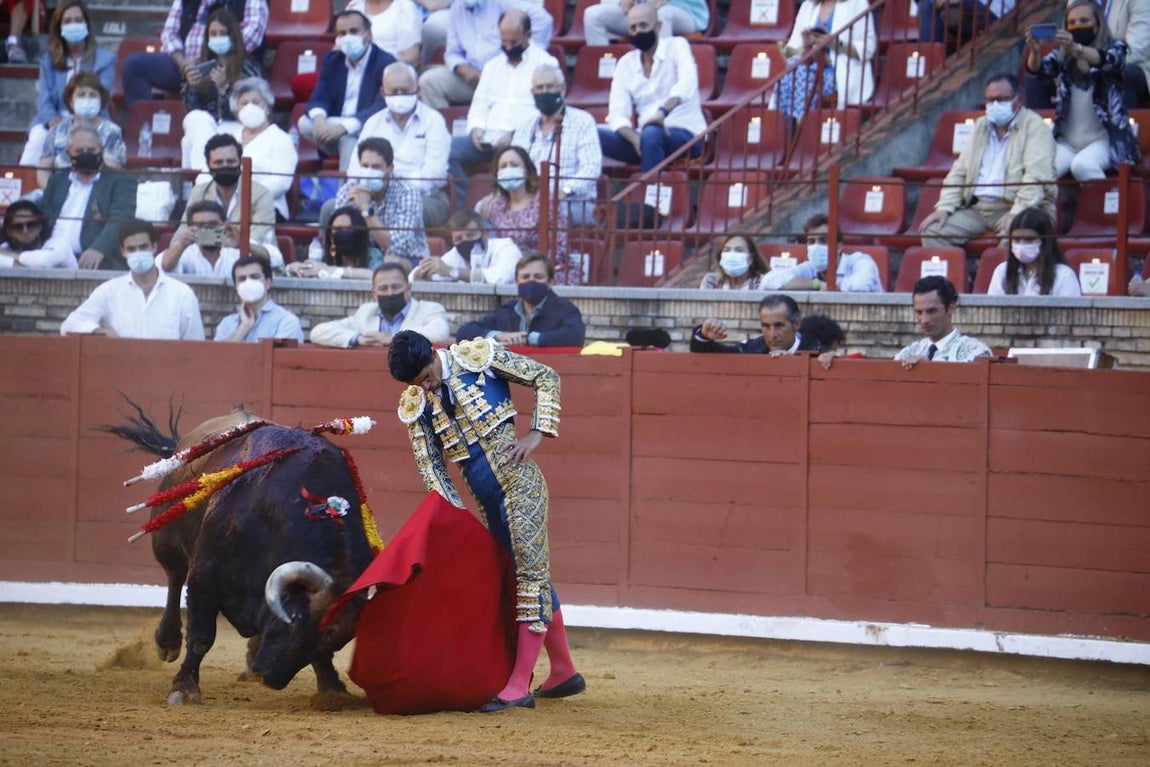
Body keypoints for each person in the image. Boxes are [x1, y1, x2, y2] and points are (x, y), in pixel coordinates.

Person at [387, 329, 584, 712]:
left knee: (529, 578)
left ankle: (517, 684)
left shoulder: (479, 357)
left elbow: (546, 376)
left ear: (432, 351)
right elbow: (432, 467)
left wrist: (535, 435)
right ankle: (562, 670)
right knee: (526, 574)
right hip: (486, 500)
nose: (428, 386)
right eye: (419, 384)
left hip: (521, 485)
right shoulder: (418, 402)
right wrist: (454, 517)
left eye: (427, 375)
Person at [919, 73, 1057, 249]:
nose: (994, 105)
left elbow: (1037, 178)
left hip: (1023, 207)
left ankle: (994, 276)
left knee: (1017, 237)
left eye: (1001, 99)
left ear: (1019, 100)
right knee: (932, 232)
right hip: (979, 208)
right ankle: (961, 277)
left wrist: (1017, 212)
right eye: (990, 100)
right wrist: (944, 207)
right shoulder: (980, 126)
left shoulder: (1036, 128)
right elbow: (959, 172)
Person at [447, 9, 559, 208]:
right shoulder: (492, 66)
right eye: (503, 41)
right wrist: (476, 129)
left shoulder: (546, 64)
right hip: (489, 138)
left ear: (528, 36)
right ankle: (461, 212)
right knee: (452, 148)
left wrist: (514, 135)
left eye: (514, 42)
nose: (507, 47)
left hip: (524, 140)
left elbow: (544, 112)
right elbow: (480, 103)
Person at [1024, 1, 1140, 182]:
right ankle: (1037, 210)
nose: (1077, 26)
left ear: (1097, 23)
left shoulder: (1115, 46)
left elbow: (1109, 61)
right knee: (1039, 172)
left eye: (1084, 20)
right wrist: (1035, 51)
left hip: (1105, 140)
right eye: (1072, 22)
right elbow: (1039, 70)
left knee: (1083, 165)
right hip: (1067, 141)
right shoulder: (1063, 53)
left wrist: (1076, 48)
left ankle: (1106, 208)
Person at [598, 3, 706, 172]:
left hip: (685, 135)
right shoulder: (625, 63)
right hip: (643, 140)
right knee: (592, 132)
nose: (638, 31)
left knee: (652, 133)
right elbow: (617, 113)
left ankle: (648, 195)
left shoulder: (677, 45)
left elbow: (687, 84)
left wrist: (662, 113)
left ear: (658, 26)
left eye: (643, 25)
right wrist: (634, 138)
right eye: (633, 28)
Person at [59, 219, 205, 339]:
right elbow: (69, 325)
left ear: (154, 247)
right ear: (123, 251)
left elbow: (195, 343)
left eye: (143, 247)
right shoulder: (108, 291)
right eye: (131, 249)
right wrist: (100, 332)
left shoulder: (182, 293)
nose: (138, 253)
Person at [353, 62, 451, 228]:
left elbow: (435, 174)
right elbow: (354, 170)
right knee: (332, 209)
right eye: (394, 91)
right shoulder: (373, 123)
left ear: (418, 91)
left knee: (405, 210)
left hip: (425, 197)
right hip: (375, 195)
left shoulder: (434, 121)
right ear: (383, 93)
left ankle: (395, 252)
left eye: (405, 91)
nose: (399, 96)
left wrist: (390, 188)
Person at [19, 0, 116, 168]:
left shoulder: (105, 60)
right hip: (54, 121)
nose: (74, 24)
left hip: (93, 121)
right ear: (59, 28)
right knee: (38, 137)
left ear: (87, 24)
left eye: (79, 20)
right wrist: (52, 121)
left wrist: (79, 122)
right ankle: (26, 189)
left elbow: (102, 95)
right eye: (68, 21)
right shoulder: (48, 61)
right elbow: (44, 98)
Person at [120, 0, 268, 107]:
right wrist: (183, 64)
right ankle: (143, 127)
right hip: (186, 65)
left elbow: (252, 35)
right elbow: (169, 33)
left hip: (230, 67)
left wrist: (205, 60)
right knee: (134, 65)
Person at [298, 10, 396, 171]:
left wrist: (344, 128)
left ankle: (346, 192)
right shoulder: (332, 60)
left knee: (348, 139)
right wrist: (320, 120)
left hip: (366, 127)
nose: (348, 37)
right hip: (336, 123)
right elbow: (320, 95)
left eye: (354, 31)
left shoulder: (385, 62)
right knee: (305, 122)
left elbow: (382, 105)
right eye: (342, 33)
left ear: (369, 35)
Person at [511, 64, 602, 227]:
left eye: (550, 87)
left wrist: (564, 191)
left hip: (572, 202)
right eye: (539, 88)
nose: (544, 92)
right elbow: (512, 166)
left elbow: (591, 167)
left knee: (541, 214)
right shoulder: (524, 126)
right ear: (532, 93)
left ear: (562, 89)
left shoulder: (583, 121)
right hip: (529, 201)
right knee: (483, 209)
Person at [418, 0, 553, 109]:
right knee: (429, 82)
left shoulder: (502, 3)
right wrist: (464, 69)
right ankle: (443, 135)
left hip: (505, 77)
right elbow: (452, 53)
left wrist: (526, 53)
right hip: (474, 78)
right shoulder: (456, 8)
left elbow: (543, 20)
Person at [40, 123, 138, 270]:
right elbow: (42, 215)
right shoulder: (57, 180)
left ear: (102, 150)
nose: (86, 154)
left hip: (95, 260)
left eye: (91, 150)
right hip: (49, 253)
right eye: (80, 151)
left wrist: (99, 248)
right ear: (69, 154)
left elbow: (121, 219)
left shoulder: (121, 180)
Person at [324, 137, 428, 271]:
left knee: (391, 261)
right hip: (362, 257)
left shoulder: (407, 193)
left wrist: (366, 209)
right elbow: (339, 237)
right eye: (365, 166)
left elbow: (394, 248)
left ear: (390, 169)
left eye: (376, 167)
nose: (369, 172)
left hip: (406, 260)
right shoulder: (348, 191)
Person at [179, 6, 262, 170]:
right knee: (197, 121)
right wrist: (191, 87)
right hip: (204, 127)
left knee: (214, 130)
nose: (217, 38)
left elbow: (247, 112)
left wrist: (225, 88)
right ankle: (205, 174)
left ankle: (205, 176)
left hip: (235, 125)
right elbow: (192, 112)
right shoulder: (201, 66)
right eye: (213, 34)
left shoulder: (248, 68)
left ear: (233, 36)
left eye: (223, 34)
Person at [772, 0, 877, 123]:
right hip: (808, 68)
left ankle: (795, 129)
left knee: (800, 74)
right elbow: (792, 52)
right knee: (792, 70)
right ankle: (791, 126)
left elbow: (868, 48)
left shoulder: (857, 4)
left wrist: (834, 43)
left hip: (838, 73)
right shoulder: (808, 6)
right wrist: (807, 46)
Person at [477, 146, 570, 283]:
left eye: (514, 165)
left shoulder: (545, 201)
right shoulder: (496, 206)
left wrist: (536, 270)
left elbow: (560, 246)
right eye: (503, 166)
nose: (508, 170)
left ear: (527, 170)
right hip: (508, 274)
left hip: (545, 274)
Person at [175, 133, 277, 254]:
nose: (225, 166)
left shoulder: (261, 194)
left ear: (240, 162)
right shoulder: (199, 192)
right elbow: (179, 238)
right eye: (218, 162)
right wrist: (230, 239)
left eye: (230, 161)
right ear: (208, 166)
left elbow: (256, 242)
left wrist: (203, 237)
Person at [456, 253, 586, 347]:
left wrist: (529, 339)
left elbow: (575, 335)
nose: (531, 281)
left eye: (538, 276)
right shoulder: (506, 311)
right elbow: (464, 332)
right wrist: (498, 336)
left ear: (550, 282)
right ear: (517, 282)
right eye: (525, 277)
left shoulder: (565, 309)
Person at [310, 263, 450, 347]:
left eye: (395, 287)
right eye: (383, 288)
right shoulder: (366, 313)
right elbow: (318, 332)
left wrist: (394, 338)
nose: (389, 293)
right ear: (374, 293)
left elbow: (440, 332)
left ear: (408, 289)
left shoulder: (428, 309)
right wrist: (358, 339)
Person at [222, 77, 298, 221]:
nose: (250, 107)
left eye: (256, 102)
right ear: (236, 109)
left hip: (266, 209)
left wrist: (242, 196)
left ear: (267, 107)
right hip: (227, 206)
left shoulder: (281, 139)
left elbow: (281, 182)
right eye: (244, 103)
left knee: (237, 231)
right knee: (205, 227)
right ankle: (210, 242)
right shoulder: (229, 138)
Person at [37, 71, 125, 188]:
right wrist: (52, 192)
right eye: (81, 94)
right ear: (71, 101)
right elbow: (43, 170)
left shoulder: (112, 132)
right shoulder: (57, 131)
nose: (87, 99)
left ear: (101, 100)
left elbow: (112, 170)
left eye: (92, 95)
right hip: (59, 193)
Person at [760, 214, 884, 292]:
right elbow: (769, 280)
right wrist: (817, 284)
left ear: (839, 246)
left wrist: (829, 286)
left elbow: (859, 286)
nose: (816, 246)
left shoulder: (860, 261)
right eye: (811, 241)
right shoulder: (810, 267)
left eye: (823, 240)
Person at [162, 200, 282, 275]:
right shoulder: (185, 251)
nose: (207, 229)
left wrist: (243, 245)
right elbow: (164, 266)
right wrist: (180, 246)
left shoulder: (237, 244)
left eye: (213, 224)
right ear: (190, 227)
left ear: (224, 224)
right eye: (200, 226)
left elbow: (275, 258)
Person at [895, 275, 991, 368]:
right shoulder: (906, 354)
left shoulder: (976, 353)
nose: (924, 320)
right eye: (919, 312)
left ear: (951, 308)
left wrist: (929, 369)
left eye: (931, 311)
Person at [987, 208, 1082, 297]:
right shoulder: (1002, 271)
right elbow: (993, 311)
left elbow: (1070, 314)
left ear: (1045, 241)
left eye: (1029, 240)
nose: (1021, 245)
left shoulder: (1064, 275)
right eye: (1016, 239)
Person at [411, 209, 521, 284]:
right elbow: (412, 278)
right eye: (459, 239)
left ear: (485, 234)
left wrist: (453, 272)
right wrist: (421, 273)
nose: (465, 241)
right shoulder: (455, 254)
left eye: (471, 235)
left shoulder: (506, 247)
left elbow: (501, 278)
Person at [690, 294, 821, 355]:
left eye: (779, 326)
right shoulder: (753, 349)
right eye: (766, 326)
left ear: (797, 323)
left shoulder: (817, 350)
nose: (772, 335)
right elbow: (714, 356)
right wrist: (703, 336)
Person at [214, 255, 303, 343]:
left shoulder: (286, 321)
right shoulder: (226, 324)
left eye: (254, 277)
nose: (248, 282)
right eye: (242, 279)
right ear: (236, 287)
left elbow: (283, 357)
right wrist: (243, 328)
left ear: (267, 283)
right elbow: (216, 356)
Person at [287, 206, 377, 280]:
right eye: (338, 229)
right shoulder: (322, 255)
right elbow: (304, 269)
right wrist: (293, 268)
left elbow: (375, 275)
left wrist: (331, 270)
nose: (343, 233)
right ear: (330, 235)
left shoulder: (373, 255)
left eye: (349, 229)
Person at [583, 0, 709, 45]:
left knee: (660, 15)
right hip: (640, 12)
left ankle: (661, 72)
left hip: (685, 11)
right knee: (593, 15)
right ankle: (602, 75)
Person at [0, 200, 76, 268]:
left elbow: (42, 262)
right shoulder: (5, 247)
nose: (25, 231)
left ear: (40, 226)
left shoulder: (59, 244)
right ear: (9, 231)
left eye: (31, 225)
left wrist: (8, 255)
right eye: (18, 227)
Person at [346, 0, 423, 66]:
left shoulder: (404, 8)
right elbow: (340, 44)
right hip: (353, 70)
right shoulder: (354, 6)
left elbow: (411, 57)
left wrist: (373, 68)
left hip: (391, 73)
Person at [919, 0, 1014, 47]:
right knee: (925, 5)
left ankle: (929, 58)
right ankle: (931, 58)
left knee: (928, 5)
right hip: (967, 8)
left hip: (996, 9)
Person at [699, 234, 769, 290]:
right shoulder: (711, 281)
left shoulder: (762, 282)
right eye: (727, 250)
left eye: (739, 250)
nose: (732, 254)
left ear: (750, 258)